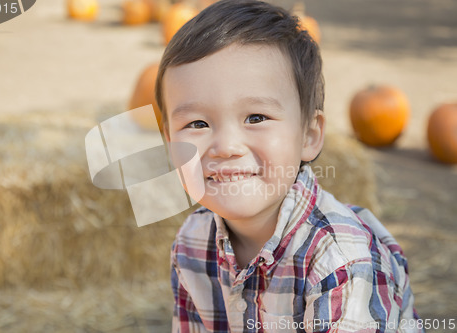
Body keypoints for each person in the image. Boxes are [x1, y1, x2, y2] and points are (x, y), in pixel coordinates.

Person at [155, 1, 422, 332]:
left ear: (308, 136)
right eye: (196, 123)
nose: (225, 147)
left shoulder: (341, 263)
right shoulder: (192, 242)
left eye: (256, 117)